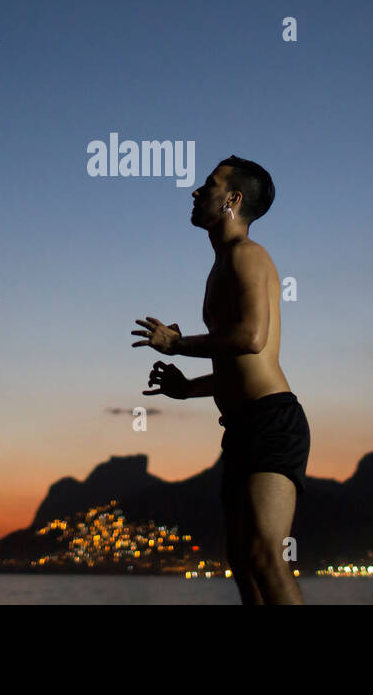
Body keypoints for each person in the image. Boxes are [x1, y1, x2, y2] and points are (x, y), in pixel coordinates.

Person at [133, 155, 308, 604]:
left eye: (207, 185)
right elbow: (240, 364)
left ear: (232, 199)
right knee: (242, 558)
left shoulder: (247, 256)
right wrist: (188, 387)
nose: (195, 192)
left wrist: (177, 344)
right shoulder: (222, 264)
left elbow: (251, 338)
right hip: (244, 425)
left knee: (265, 555)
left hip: (271, 420)